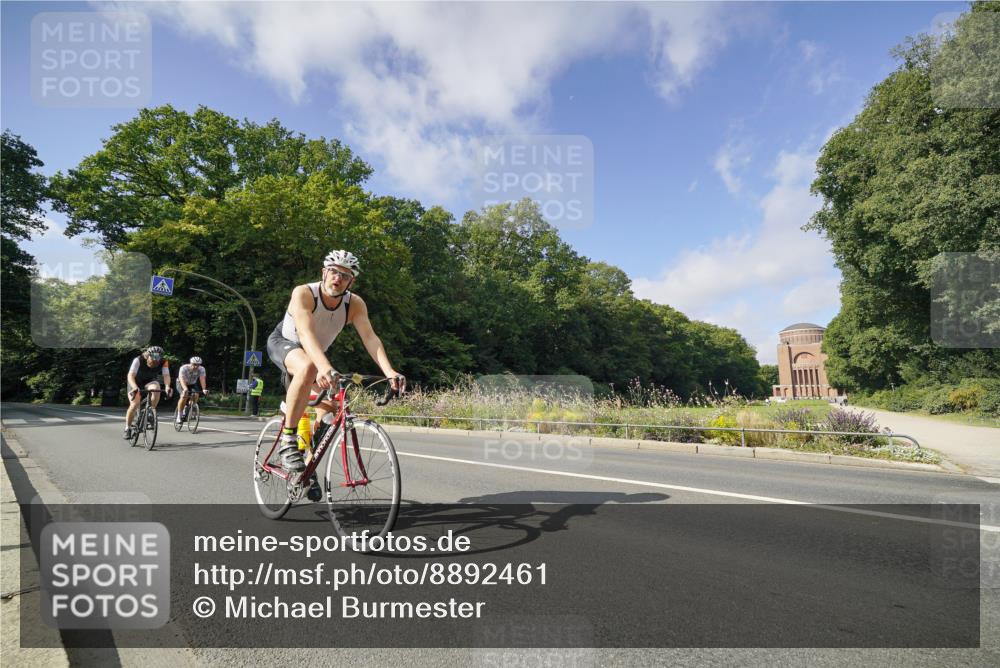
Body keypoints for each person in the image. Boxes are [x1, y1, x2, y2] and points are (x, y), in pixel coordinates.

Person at [266, 249, 405, 499]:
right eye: (333, 272)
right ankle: (288, 441)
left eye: (345, 275)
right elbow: (306, 335)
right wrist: (323, 367)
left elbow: (370, 338)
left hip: (316, 355)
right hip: (286, 344)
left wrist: (389, 371)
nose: (337, 278)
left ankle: (307, 467)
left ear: (352, 281)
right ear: (323, 272)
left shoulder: (355, 304)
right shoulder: (304, 293)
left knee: (331, 409)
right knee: (308, 367)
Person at [124, 346, 173, 439]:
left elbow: (166, 375)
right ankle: (128, 428)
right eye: (152, 360)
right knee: (134, 404)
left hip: (149, 381)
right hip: (134, 382)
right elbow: (130, 375)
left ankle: (150, 412)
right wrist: (135, 388)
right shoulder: (138, 360)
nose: (154, 363)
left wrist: (167, 386)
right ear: (147, 356)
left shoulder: (164, 361)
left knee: (156, 388)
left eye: (157, 361)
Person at [176, 356, 208, 425]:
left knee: (196, 394)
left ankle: (189, 407)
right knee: (184, 395)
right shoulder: (184, 368)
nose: (196, 366)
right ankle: (179, 415)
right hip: (181, 383)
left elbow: (202, 379)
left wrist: (204, 389)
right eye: (194, 364)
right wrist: (185, 389)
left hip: (192, 383)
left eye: (198, 365)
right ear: (190, 363)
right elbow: (182, 379)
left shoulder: (202, 369)